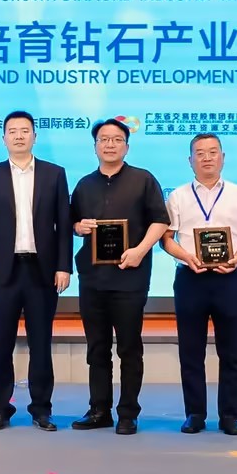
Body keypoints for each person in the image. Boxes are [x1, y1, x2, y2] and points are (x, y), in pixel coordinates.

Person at [0, 111, 71, 432]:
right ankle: (1, 408)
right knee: (2, 344)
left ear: (34, 136)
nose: (18, 136)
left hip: (42, 271)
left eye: (24, 130)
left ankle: (42, 409)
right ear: (4, 138)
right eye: (12, 131)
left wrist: (64, 266)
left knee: (41, 343)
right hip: (3, 273)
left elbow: (64, 225)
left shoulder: (54, 174)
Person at [70, 118, 169, 436]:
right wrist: (79, 227)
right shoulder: (84, 184)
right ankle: (99, 409)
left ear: (127, 146)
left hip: (130, 278)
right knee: (96, 348)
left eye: (116, 139)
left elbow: (160, 221)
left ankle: (128, 413)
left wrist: (140, 250)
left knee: (129, 347)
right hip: (92, 279)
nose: (109, 144)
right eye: (103, 139)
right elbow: (73, 222)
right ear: (95, 146)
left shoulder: (143, 180)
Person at [161, 133, 237, 437]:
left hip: (229, 278)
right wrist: (186, 256)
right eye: (200, 153)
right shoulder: (177, 196)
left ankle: (230, 415)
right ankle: (195, 413)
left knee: (231, 351)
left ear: (223, 157)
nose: (207, 158)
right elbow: (166, 238)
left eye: (213, 152)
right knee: (190, 350)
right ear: (190, 160)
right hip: (190, 278)